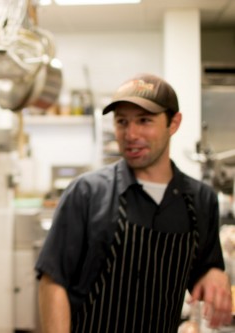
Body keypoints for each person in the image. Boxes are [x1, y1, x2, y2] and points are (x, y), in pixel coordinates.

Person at [35, 73, 232, 332]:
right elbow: (53, 280)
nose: (131, 134)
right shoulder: (87, 193)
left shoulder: (201, 200)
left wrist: (214, 273)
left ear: (173, 123)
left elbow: (205, 268)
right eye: (122, 122)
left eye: (144, 121)